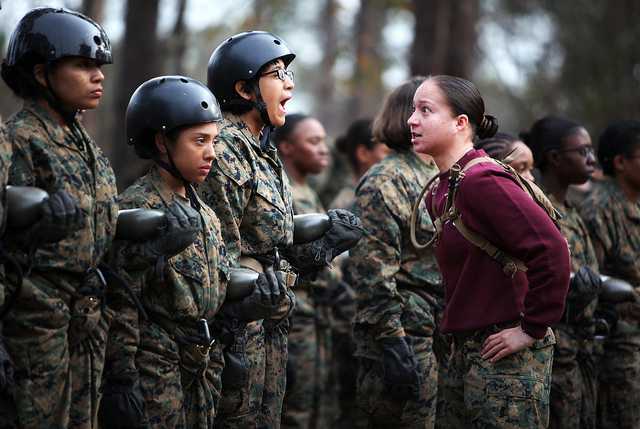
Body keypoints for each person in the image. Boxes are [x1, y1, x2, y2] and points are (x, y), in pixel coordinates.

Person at [197, 31, 363, 428]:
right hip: (236, 332)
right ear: (243, 88)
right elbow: (219, 256)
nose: (289, 84)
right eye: (276, 74)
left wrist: (325, 245)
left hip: (270, 321)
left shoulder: (265, 151)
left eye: (290, 74)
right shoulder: (225, 151)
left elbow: (277, 248)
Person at [407, 75, 571, 428]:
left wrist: (532, 328)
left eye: (425, 110)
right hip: (470, 348)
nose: (412, 119)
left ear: (460, 123)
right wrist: (460, 331)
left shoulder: (482, 181)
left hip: (507, 355)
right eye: (413, 109)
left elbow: (552, 251)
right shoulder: (446, 184)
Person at [99, 76, 239, 428]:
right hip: (155, 372)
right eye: (200, 141)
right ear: (162, 142)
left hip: (202, 370)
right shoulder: (137, 210)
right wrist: (122, 378)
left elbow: (214, 291)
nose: (212, 153)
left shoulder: (205, 213)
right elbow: (120, 301)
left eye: (215, 141)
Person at [0, 7, 117, 428]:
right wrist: (32, 232)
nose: (98, 76)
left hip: (86, 323)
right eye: (83, 65)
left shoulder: (87, 146)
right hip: (34, 326)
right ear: (42, 73)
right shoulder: (21, 141)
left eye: (98, 66)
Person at [350, 76, 447, 429]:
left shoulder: (445, 174)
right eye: (423, 108)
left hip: (445, 331)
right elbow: (372, 271)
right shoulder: (386, 179)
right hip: (406, 335)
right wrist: (392, 340)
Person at [521, 114, 601, 429]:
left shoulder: (573, 214)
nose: (591, 159)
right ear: (555, 158)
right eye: (583, 151)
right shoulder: (537, 212)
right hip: (552, 356)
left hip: (582, 354)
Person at [272, 113, 341, 428]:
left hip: (317, 315)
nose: (323, 149)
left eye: (323, 140)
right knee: (295, 412)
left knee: (320, 411)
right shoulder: (280, 191)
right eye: (313, 141)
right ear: (286, 147)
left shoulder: (307, 189)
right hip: (295, 316)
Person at [579, 120, 640, 429]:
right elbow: (586, 284)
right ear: (620, 163)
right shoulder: (599, 211)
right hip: (617, 354)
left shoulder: (634, 204)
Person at [329, 118, 392, 211]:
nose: (395, 160)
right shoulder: (346, 206)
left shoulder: (386, 194)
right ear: (363, 154)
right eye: (388, 153)